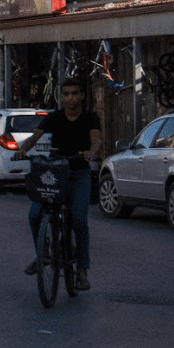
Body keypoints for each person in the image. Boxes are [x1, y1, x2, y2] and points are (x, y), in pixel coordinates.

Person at [25, 79, 101, 289]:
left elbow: (96, 140)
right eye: (66, 94)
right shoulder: (54, 118)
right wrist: (22, 149)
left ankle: (82, 269)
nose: (70, 98)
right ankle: (43, 254)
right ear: (61, 97)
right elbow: (35, 137)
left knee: (78, 219)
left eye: (74, 93)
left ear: (82, 96)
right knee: (34, 214)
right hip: (55, 176)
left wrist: (91, 153)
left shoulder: (90, 118)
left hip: (78, 175)